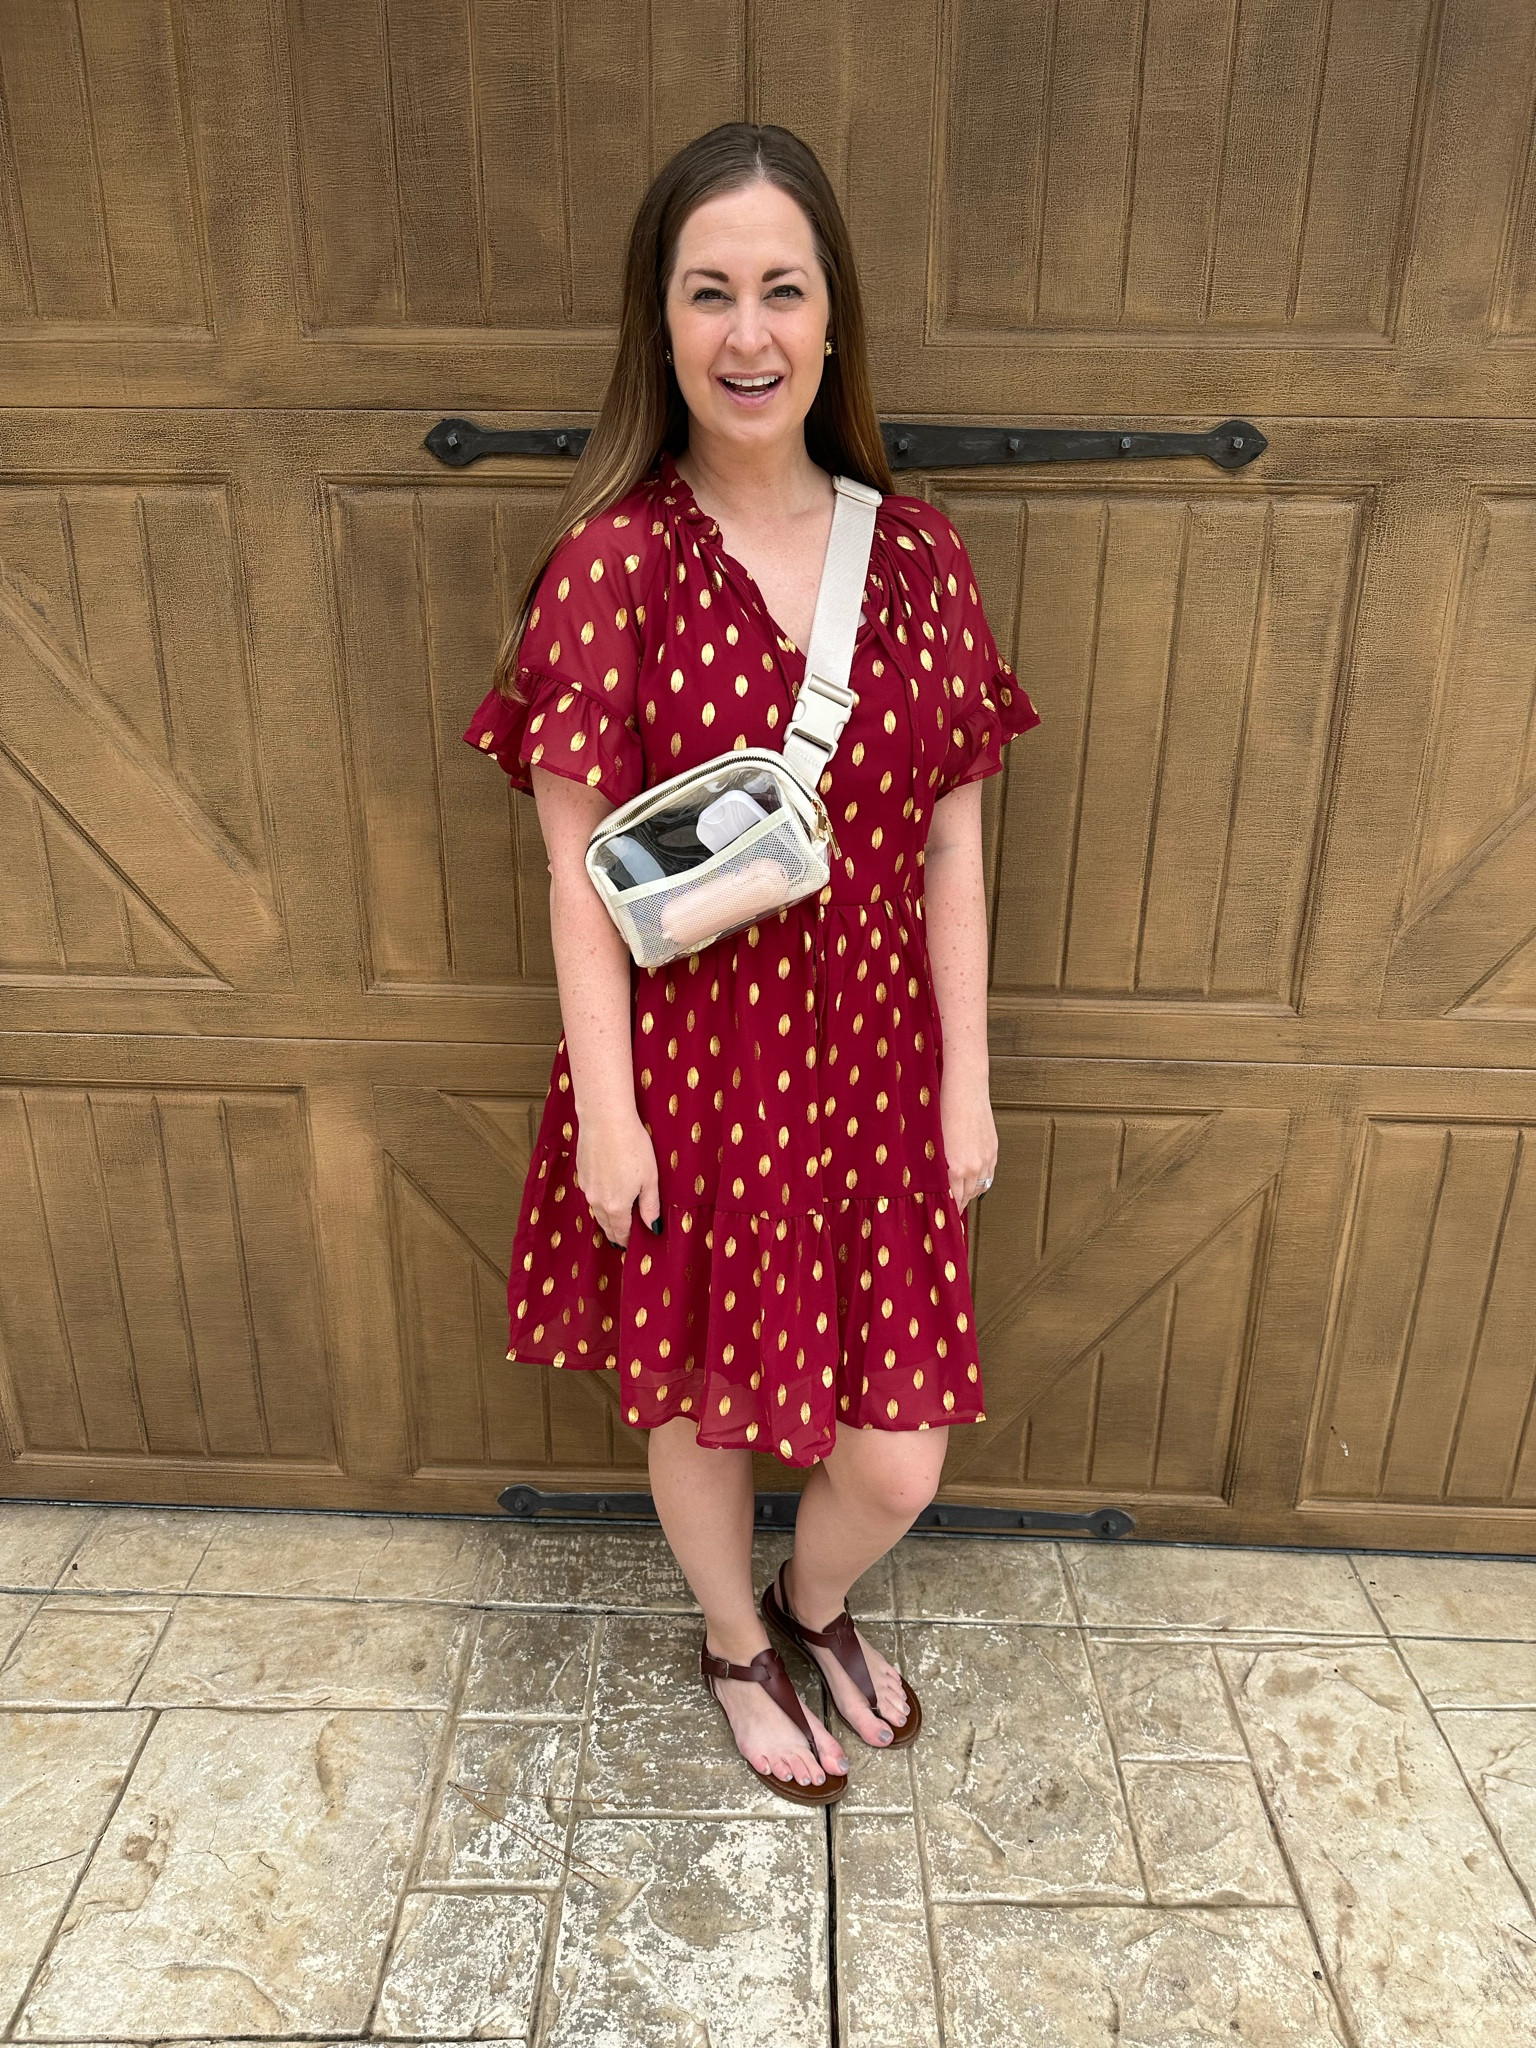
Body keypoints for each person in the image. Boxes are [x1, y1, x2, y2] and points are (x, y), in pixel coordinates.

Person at [462, 122, 1040, 1805]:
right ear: (661, 324)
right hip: (695, 1070)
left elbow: (949, 842)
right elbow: (576, 866)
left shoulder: (920, 557)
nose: (748, 334)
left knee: (899, 1457)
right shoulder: (616, 567)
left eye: (782, 289)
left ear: (833, 316)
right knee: (702, 1403)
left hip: (872, 1069)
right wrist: (610, 1121)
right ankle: (731, 1644)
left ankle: (814, 1601)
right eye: (709, 293)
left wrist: (966, 1080)